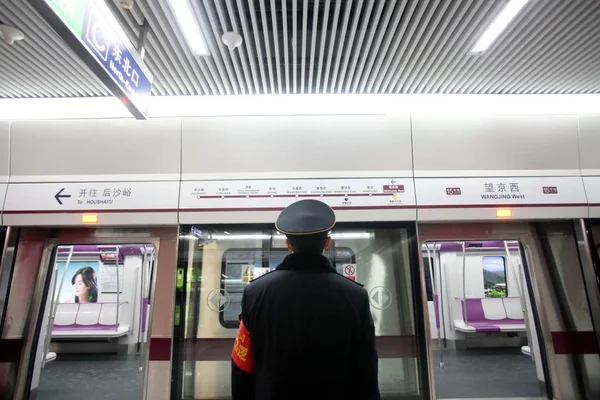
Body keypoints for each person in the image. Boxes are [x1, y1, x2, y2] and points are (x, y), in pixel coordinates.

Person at [231, 199, 380, 400]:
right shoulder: (355, 296)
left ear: (288, 245)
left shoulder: (255, 293)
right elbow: (367, 370)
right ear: (326, 243)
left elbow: (243, 365)